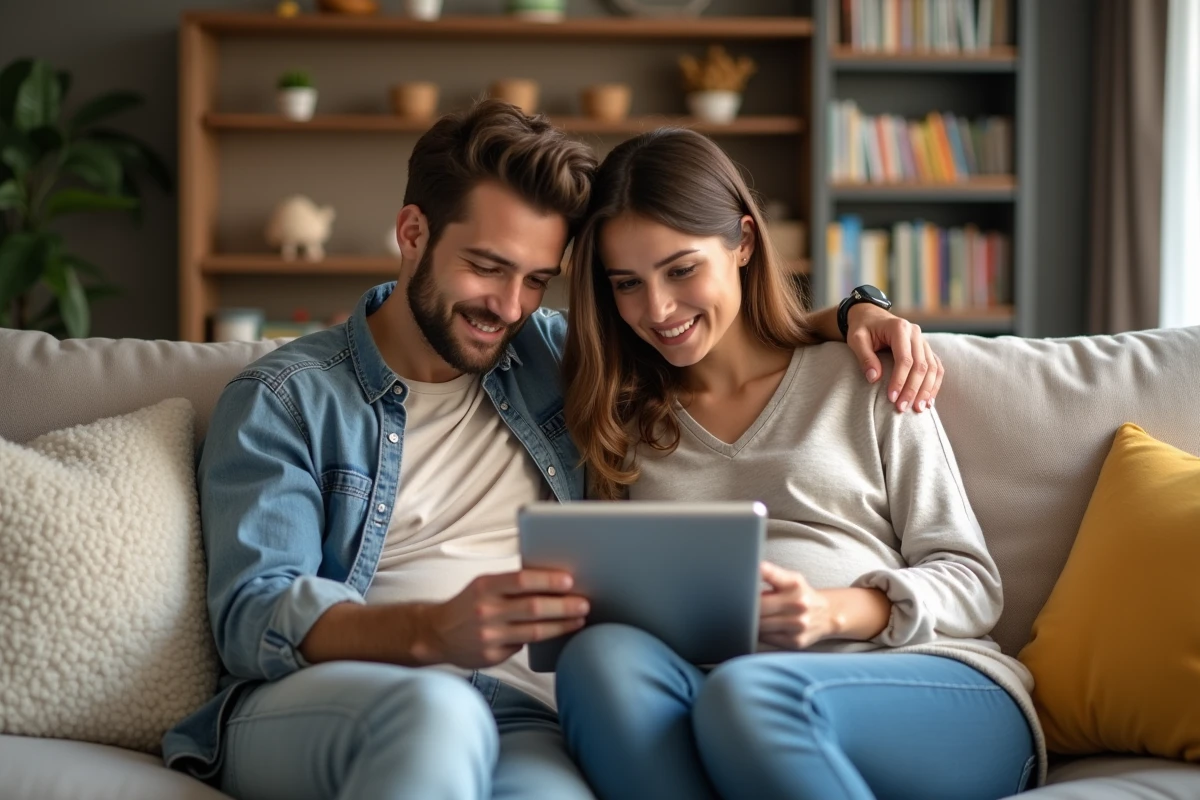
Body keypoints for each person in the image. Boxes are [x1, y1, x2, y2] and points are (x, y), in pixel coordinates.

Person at [162, 100, 947, 800]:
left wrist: (855, 314)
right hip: (348, 693)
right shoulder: (287, 398)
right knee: (436, 715)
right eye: (486, 267)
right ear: (412, 235)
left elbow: (711, 331)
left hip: (522, 712)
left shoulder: (549, 355)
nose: (507, 307)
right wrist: (431, 631)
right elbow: (254, 613)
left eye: (536, 279)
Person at [555, 126, 1043, 800]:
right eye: (627, 284)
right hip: (728, 705)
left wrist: (833, 611)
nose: (657, 309)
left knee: (750, 695)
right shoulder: (624, 425)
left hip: (931, 687)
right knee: (595, 661)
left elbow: (971, 581)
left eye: (682, 268)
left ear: (744, 244)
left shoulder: (863, 374)